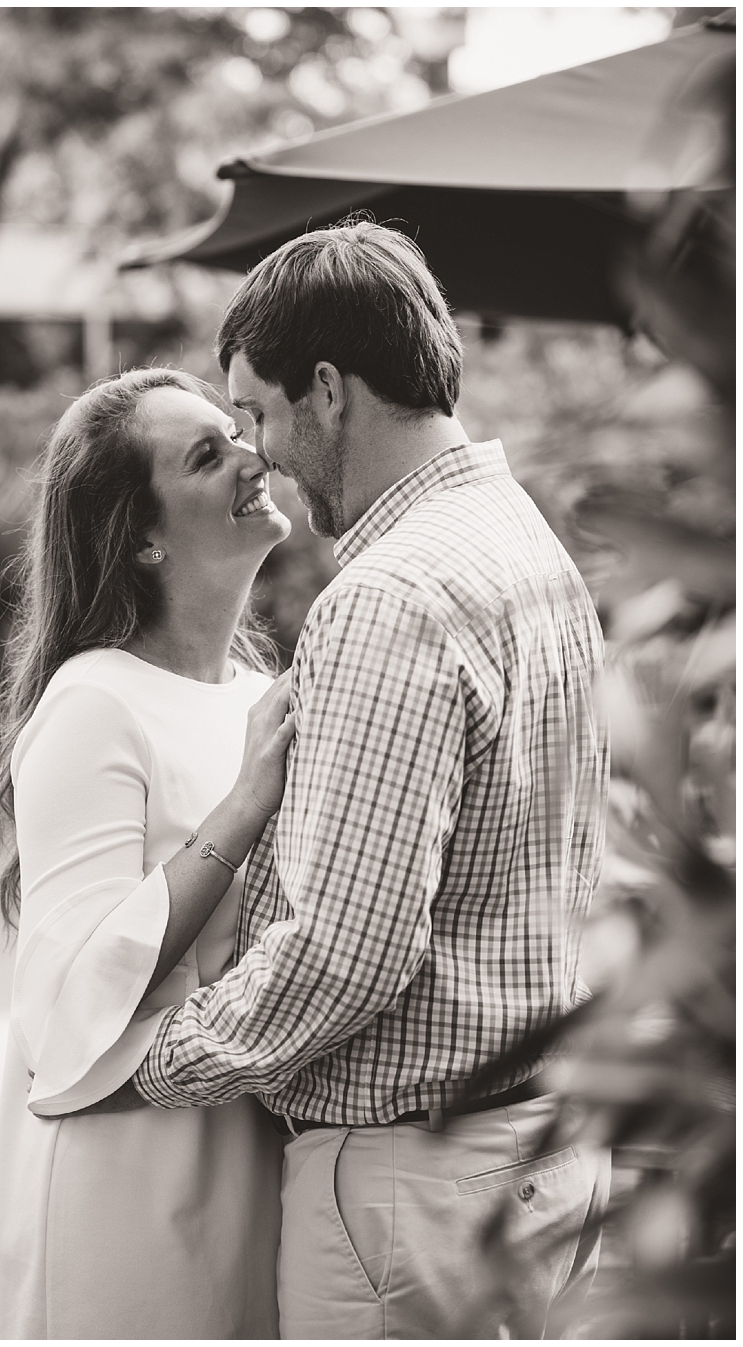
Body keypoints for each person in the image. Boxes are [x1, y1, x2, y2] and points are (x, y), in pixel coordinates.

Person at [127, 221, 610, 1338]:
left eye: (255, 412)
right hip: (540, 1153)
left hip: (412, 1194)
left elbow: (354, 946)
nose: (260, 452)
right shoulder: (526, 544)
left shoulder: (390, 597)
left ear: (329, 391)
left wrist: (156, 1061)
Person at [0, 366, 298, 1338]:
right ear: (146, 539)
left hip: (248, 1159)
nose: (253, 454)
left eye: (237, 428)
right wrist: (246, 806)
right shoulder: (95, 704)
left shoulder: (262, 692)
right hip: (127, 1183)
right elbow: (69, 990)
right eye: (208, 456)